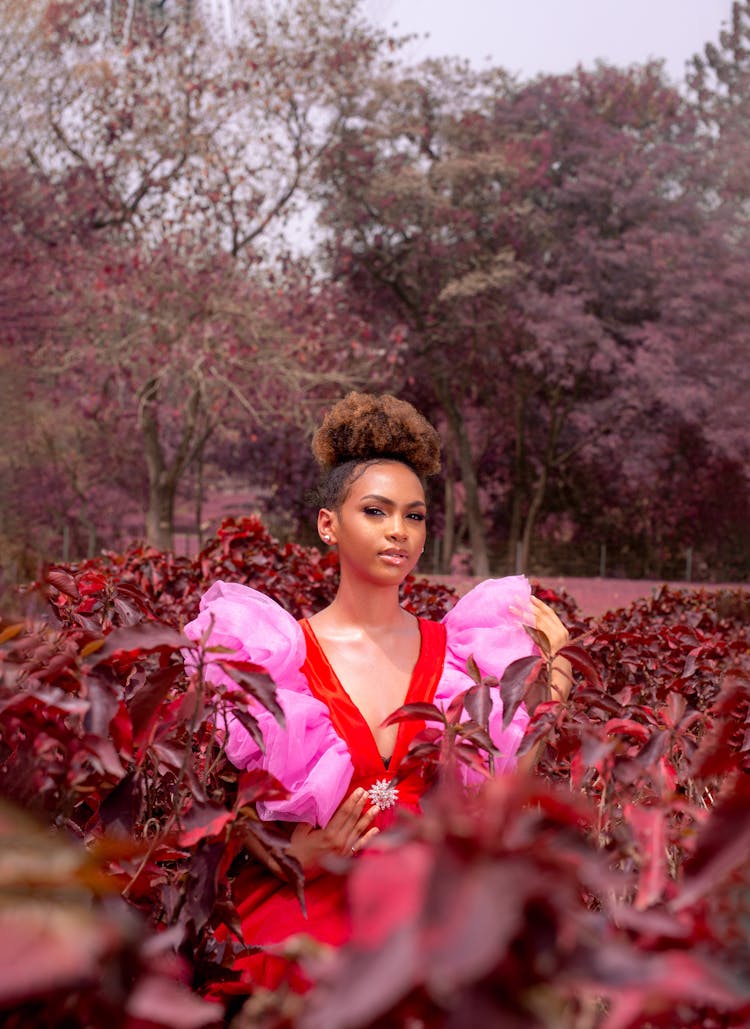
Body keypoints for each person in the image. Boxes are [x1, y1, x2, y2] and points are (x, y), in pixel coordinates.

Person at [184, 392, 571, 994]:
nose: (399, 532)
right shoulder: (273, 655)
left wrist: (558, 686)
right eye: (376, 511)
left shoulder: (463, 652)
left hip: (431, 909)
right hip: (309, 907)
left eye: (414, 516)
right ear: (327, 524)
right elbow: (210, 805)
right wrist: (287, 858)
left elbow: (503, 792)